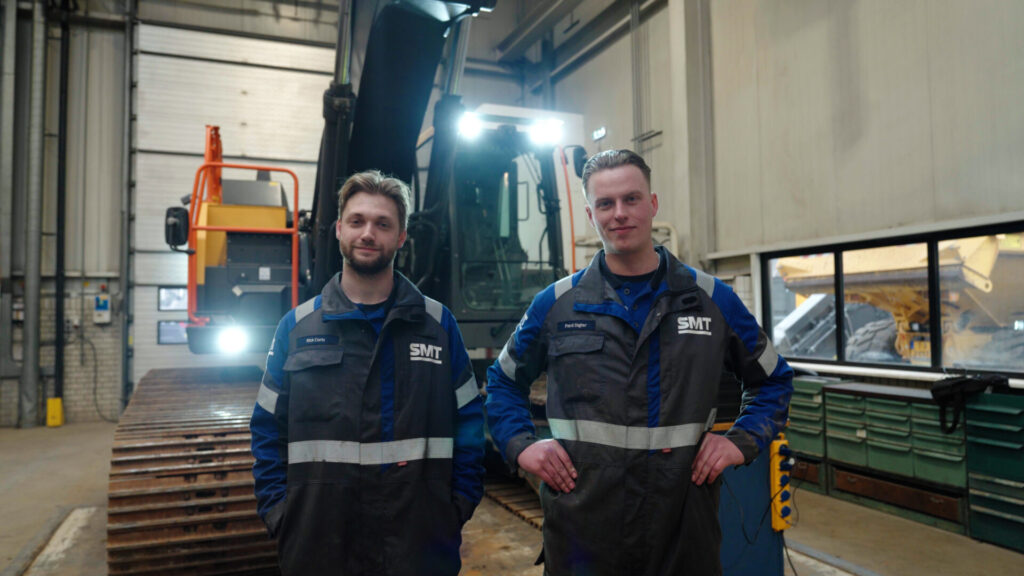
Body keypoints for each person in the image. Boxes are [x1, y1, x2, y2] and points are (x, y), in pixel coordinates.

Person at [486, 149, 793, 576]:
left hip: (683, 531)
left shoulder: (711, 301)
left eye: (631, 199)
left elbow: (774, 380)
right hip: (583, 531)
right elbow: (503, 382)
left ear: (652, 204)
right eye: (605, 204)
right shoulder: (556, 306)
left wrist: (738, 442)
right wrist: (521, 445)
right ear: (591, 216)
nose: (619, 213)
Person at [250, 170, 486, 576]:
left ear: (401, 236)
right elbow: (268, 427)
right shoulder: (297, 327)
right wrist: (279, 512)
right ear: (339, 229)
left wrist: (456, 506)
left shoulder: (437, 325)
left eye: (383, 224)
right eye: (357, 221)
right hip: (318, 545)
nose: (368, 233)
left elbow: (469, 422)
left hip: (418, 545)